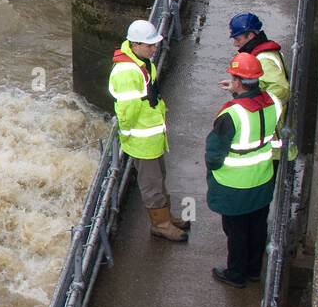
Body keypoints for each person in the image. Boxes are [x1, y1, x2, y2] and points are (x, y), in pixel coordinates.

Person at [109, 18, 188, 242]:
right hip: (142, 140)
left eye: (154, 44)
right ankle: (160, 224)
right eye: (149, 45)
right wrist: (128, 133)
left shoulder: (142, 62)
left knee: (159, 178)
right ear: (134, 44)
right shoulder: (127, 72)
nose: (154, 49)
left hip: (151, 137)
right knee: (151, 184)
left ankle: (165, 216)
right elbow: (127, 111)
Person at [206, 53, 278, 287]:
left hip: (235, 185)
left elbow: (214, 153)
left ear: (238, 82)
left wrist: (214, 168)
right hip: (263, 178)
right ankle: (254, 270)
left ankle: (236, 274)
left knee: (236, 231)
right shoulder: (272, 103)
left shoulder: (231, 114)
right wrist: (236, 93)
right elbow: (255, 107)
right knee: (258, 226)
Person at [219, 11, 295, 161]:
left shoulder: (263, 60)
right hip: (270, 132)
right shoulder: (262, 54)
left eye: (238, 39)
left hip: (273, 140)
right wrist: (237, 86)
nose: (235, 43)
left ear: (250, 36)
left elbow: (283, 90)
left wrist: (252, 100)